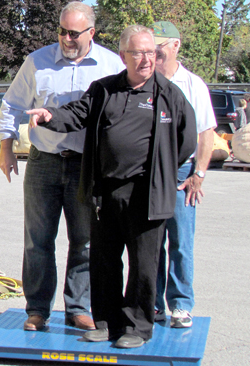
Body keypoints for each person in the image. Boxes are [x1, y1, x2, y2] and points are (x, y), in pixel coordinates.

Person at [27, 25, 197, 348]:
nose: (147, 59)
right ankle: (106, 321)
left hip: (147, 195)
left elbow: (186, 138)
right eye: (138, 53)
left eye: (151, 52)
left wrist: (162, 167)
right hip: (106, 193)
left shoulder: (169, 95)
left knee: (143, 265)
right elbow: (78, 114)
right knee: (104, 260)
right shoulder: (104, 90)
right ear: (123, 57)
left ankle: (137, 327)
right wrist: (50, 116)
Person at [0, 2, 125, 332]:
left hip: (86, 166)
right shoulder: (37, 62)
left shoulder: (111, 65)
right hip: (44, 162)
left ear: (91, 33)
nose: (67, 38)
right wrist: (6, 147)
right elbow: (12, 103)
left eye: (74, 33)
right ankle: (37, 309)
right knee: (37, 240)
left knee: (84, 241)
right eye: (62, 31)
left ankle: (78, 307)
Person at [152, 21, 217, 328]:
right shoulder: (143, 81)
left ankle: (180, 305)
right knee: (151, 241)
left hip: (181, 169)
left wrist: (198, 174)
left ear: (175, 46)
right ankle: (151, 304)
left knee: (180, 241)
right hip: (148, 170)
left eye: (159, 48)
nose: (153, 54)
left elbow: (207, 133)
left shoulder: (193, 85)